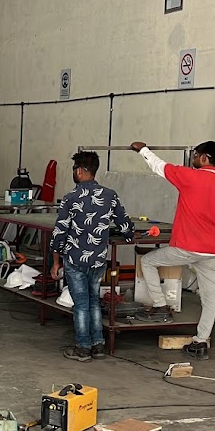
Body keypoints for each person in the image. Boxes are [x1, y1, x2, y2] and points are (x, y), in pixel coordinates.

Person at [129, 140, 215, 360]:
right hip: (212, 251)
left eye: (196, 155)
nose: (193, 159)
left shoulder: (189, 176)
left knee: (148, 261)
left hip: (186, 247)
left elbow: (159, 166)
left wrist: (143, 150)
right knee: (209, 299)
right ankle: (200, 342)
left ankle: (161, 306)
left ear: (205, 158)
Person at [49, 151, 134, 362]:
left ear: (79, 171)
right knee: (94, 301)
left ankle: (83, 348)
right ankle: (98, 345)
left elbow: (59, 233)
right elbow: (125, 224)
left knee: (81, 304)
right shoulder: (110, 195)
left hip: (75, 259)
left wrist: (56, 262)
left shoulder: (70, 198)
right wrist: (129, 235)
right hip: (98, 259)